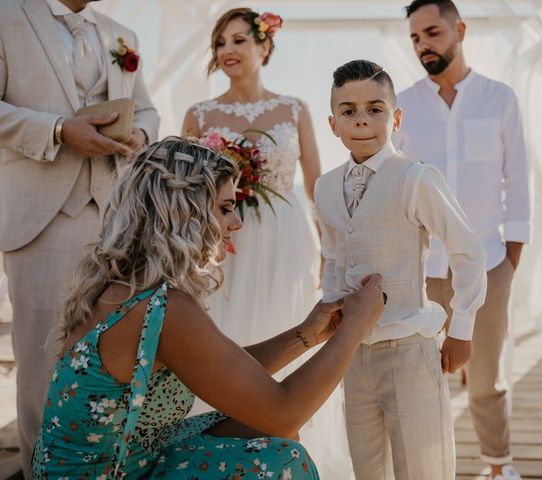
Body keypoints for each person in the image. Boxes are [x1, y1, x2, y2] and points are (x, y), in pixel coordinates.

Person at [31, 136, 385, 479]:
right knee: (281, 458)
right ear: (183, 212)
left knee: (258, 430)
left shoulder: (125, 285)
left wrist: (304, 335)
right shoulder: (166, 308)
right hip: (109, 473)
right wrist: (356, 326)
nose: (237, 223)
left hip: (123, 459)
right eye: (225, 208)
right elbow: (283, 414)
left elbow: (224, 371)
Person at [181, 9, 352, 477]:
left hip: (285, 238)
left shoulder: (294, 109)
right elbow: (185, 190)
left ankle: (286, 447)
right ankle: (221, 449)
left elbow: (316, 186)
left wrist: (331, 254)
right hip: (223, 242)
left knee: (287, 326)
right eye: (220, 43)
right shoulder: (198, 114)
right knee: (224, 334)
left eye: (238, 40)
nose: (228, 51)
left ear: (264, 47)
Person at [0, 0, 159, 473]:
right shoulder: (7, 15)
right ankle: (39, 471)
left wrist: (140, 137)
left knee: (109, 358)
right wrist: (57, 130)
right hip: (40, 217)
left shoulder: (120, 33)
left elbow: (147, 109)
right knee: (43, 361)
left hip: (115, 219)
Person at [315, 59, 486, 479]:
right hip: (352, 355)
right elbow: (334, 258)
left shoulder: (416, 177)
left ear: (397, 117)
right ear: (333, 123)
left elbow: (468, 251)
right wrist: (332, 318)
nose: (362, 121)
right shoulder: (324, 186)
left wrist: (461, 330)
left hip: (410, 347)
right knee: (367, 468)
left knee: (423, 467)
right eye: (348, 110)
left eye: (375, 109)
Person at [393, 1, 531, 478]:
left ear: (460, 30)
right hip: (423, 269)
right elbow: (394, 184)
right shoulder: (402, 104)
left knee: (487, 377)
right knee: (425, 378)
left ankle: (498, 465)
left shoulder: (500, 98)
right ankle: (430, 468)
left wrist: (511, 259)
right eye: (414, 38)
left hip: (490, 263)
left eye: (431, 32)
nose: (422, 45)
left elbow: (518, 180)